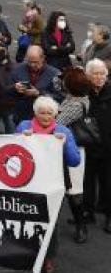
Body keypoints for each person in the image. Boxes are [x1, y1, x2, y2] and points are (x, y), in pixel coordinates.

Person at [15, 96, 83, 270]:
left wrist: (65, 144)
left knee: (50, 223)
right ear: (35, 113)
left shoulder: (63, 130)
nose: (46, 117)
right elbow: (12, 152)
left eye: (49, 113)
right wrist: (22, 139)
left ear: (55, 114)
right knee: (27, 220)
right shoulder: (24, 126)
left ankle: (48, 258)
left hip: (55, 184)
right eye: (42, 113)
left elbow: (74, 161)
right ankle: (28, 255)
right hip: (29, 183)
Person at [56, 67, 95, 243]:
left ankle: (81, 227)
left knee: (73, 190)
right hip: (70, 148)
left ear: (70, 85)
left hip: (71, 149)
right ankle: (80, 223)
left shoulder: (75, 105)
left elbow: (56, 123)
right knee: (72, 189)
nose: (62, 82)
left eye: (65, 80)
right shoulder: (79, 98)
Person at [84, 58, 111, 233]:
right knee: (88, 180)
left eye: (102, 73)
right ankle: (88, 212)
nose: (99, 77)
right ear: (88, 75)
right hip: (88, 144)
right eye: (95, 73)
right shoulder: (83, 93)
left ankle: (109, 216)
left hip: (109, 145)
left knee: (108, 182)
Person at [8, 45, 61, 124]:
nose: (32, 65)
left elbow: (60, 97)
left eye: (35, 62)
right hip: (21, 117)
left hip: (45, 120)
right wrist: (15, 88)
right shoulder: (17, 70)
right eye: (29, 61)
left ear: (43, 58)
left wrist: (39, 93)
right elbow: (6, 91)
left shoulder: (55, 73)